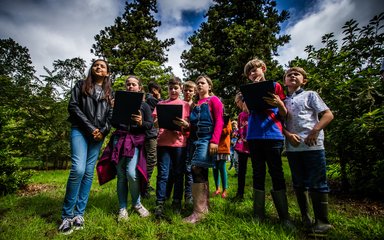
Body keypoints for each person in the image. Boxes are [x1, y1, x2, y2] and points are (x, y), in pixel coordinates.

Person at [59, 59, 113, 234]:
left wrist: (102, 132)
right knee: (78, 170)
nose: (98, 67)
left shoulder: (109, 93)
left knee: (89, 172)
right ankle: (66, 216)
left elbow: (111, 117)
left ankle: (79, 214)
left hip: (98, 135)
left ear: (107, 73)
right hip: (80, 131)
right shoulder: (81, 85)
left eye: (102, 66)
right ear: (92, 69)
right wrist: (91, 129)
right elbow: (73, 107)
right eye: (96, 65)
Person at [282, 67, 334, 234]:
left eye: (297, 74)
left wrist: (315, 130)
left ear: (304, 80)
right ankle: (306, 217)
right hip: (293, 148)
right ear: (285, 81)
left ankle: (323, 221)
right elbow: (279, 124)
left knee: (317, 182)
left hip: (313, 145)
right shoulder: (282, 101)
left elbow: (328, 115)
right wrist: (288, 135)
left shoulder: (310, 95)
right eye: (289, 74)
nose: (292, 76)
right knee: (298, 183)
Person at [243, 58, 293, 228]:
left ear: (263, 68)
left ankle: (285, 217)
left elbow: (284, 113)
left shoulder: (275, 86)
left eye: (254, 69)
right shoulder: (247, 90)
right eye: (249, 72)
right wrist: (253, 91)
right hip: (254, 136)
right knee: (258, 173)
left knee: (276, 172)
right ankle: (258, 215)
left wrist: (279, 102)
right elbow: (245, 109)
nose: (252, 73)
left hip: (273, 135)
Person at [97, 75, 152, 222]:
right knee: (121, 175)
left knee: (131, 173)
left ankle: (137, 204)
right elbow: (113, 123)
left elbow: (150, 125)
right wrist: (114, 110)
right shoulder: (118, 103)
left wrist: (141, 123)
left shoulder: (144, 106)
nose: (130, 87)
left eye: (134, 84)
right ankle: (122, 207)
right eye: (128, 84)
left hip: (135, 141)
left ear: (140, 88)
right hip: (119, 140)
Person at [183, 75, 224, 224]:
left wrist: (214, 141)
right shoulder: (195, 104)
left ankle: (198, 213)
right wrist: (186, 126)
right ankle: (204, 208)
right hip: (195, 140)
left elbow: (220, 121)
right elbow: (193, 126)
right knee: (201, 171)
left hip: (207, 140)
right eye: (198, 83)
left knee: (196, 169)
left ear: (209, 86)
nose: (199, 85)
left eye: (202, 83)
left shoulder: (214, 100)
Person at [153, 77, 191, 217]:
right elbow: (155, 124)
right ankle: (160, 203)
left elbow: (189, 125)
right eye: (170, 88)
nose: (173, 90)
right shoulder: (160, 104)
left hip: (179, 144)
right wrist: (158, 121)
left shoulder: (186, 105)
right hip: (163, 143)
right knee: (163, 174)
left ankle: (176, 202)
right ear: (167, 89)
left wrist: (185, 124)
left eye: (176, 88)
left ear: (180, 88)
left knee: (178, 174)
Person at [143, 81, 162, 197]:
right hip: (150, 134)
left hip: (150, 133)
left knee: (148, 159)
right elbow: (162, 106)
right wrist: (159, 98)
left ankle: (146, 183)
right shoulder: (151, 99)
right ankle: (144, 185)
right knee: (151, 160)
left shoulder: (149, 99)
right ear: (155, 90)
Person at [231, 92, 250, 202]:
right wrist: (237, 133)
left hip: (252, 143)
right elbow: (239, 128)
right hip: (241, 146)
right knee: (241, 171)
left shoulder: (252, 113)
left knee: (257, 170)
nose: (236, 104)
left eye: (237, 102)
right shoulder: (240, 115)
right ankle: (240, 193)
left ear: (242, 101)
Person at [182, 81, 197, 206]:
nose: (187, 92)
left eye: (190, 90)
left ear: (194, 92)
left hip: (191, 140)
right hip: (177, 140)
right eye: (185, 90)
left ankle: (189, 196)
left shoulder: (196, 107)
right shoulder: (179, 104)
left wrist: (189, 125)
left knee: (188, 168)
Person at [213, 115, 231, 199]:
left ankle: (225, 189)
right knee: (214, 168)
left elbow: (227, 131)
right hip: (214, 147)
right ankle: (217, 188)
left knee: (222, 167)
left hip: (223, 147)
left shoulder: (226, 119)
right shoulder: (214, 118)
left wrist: (217, 129)